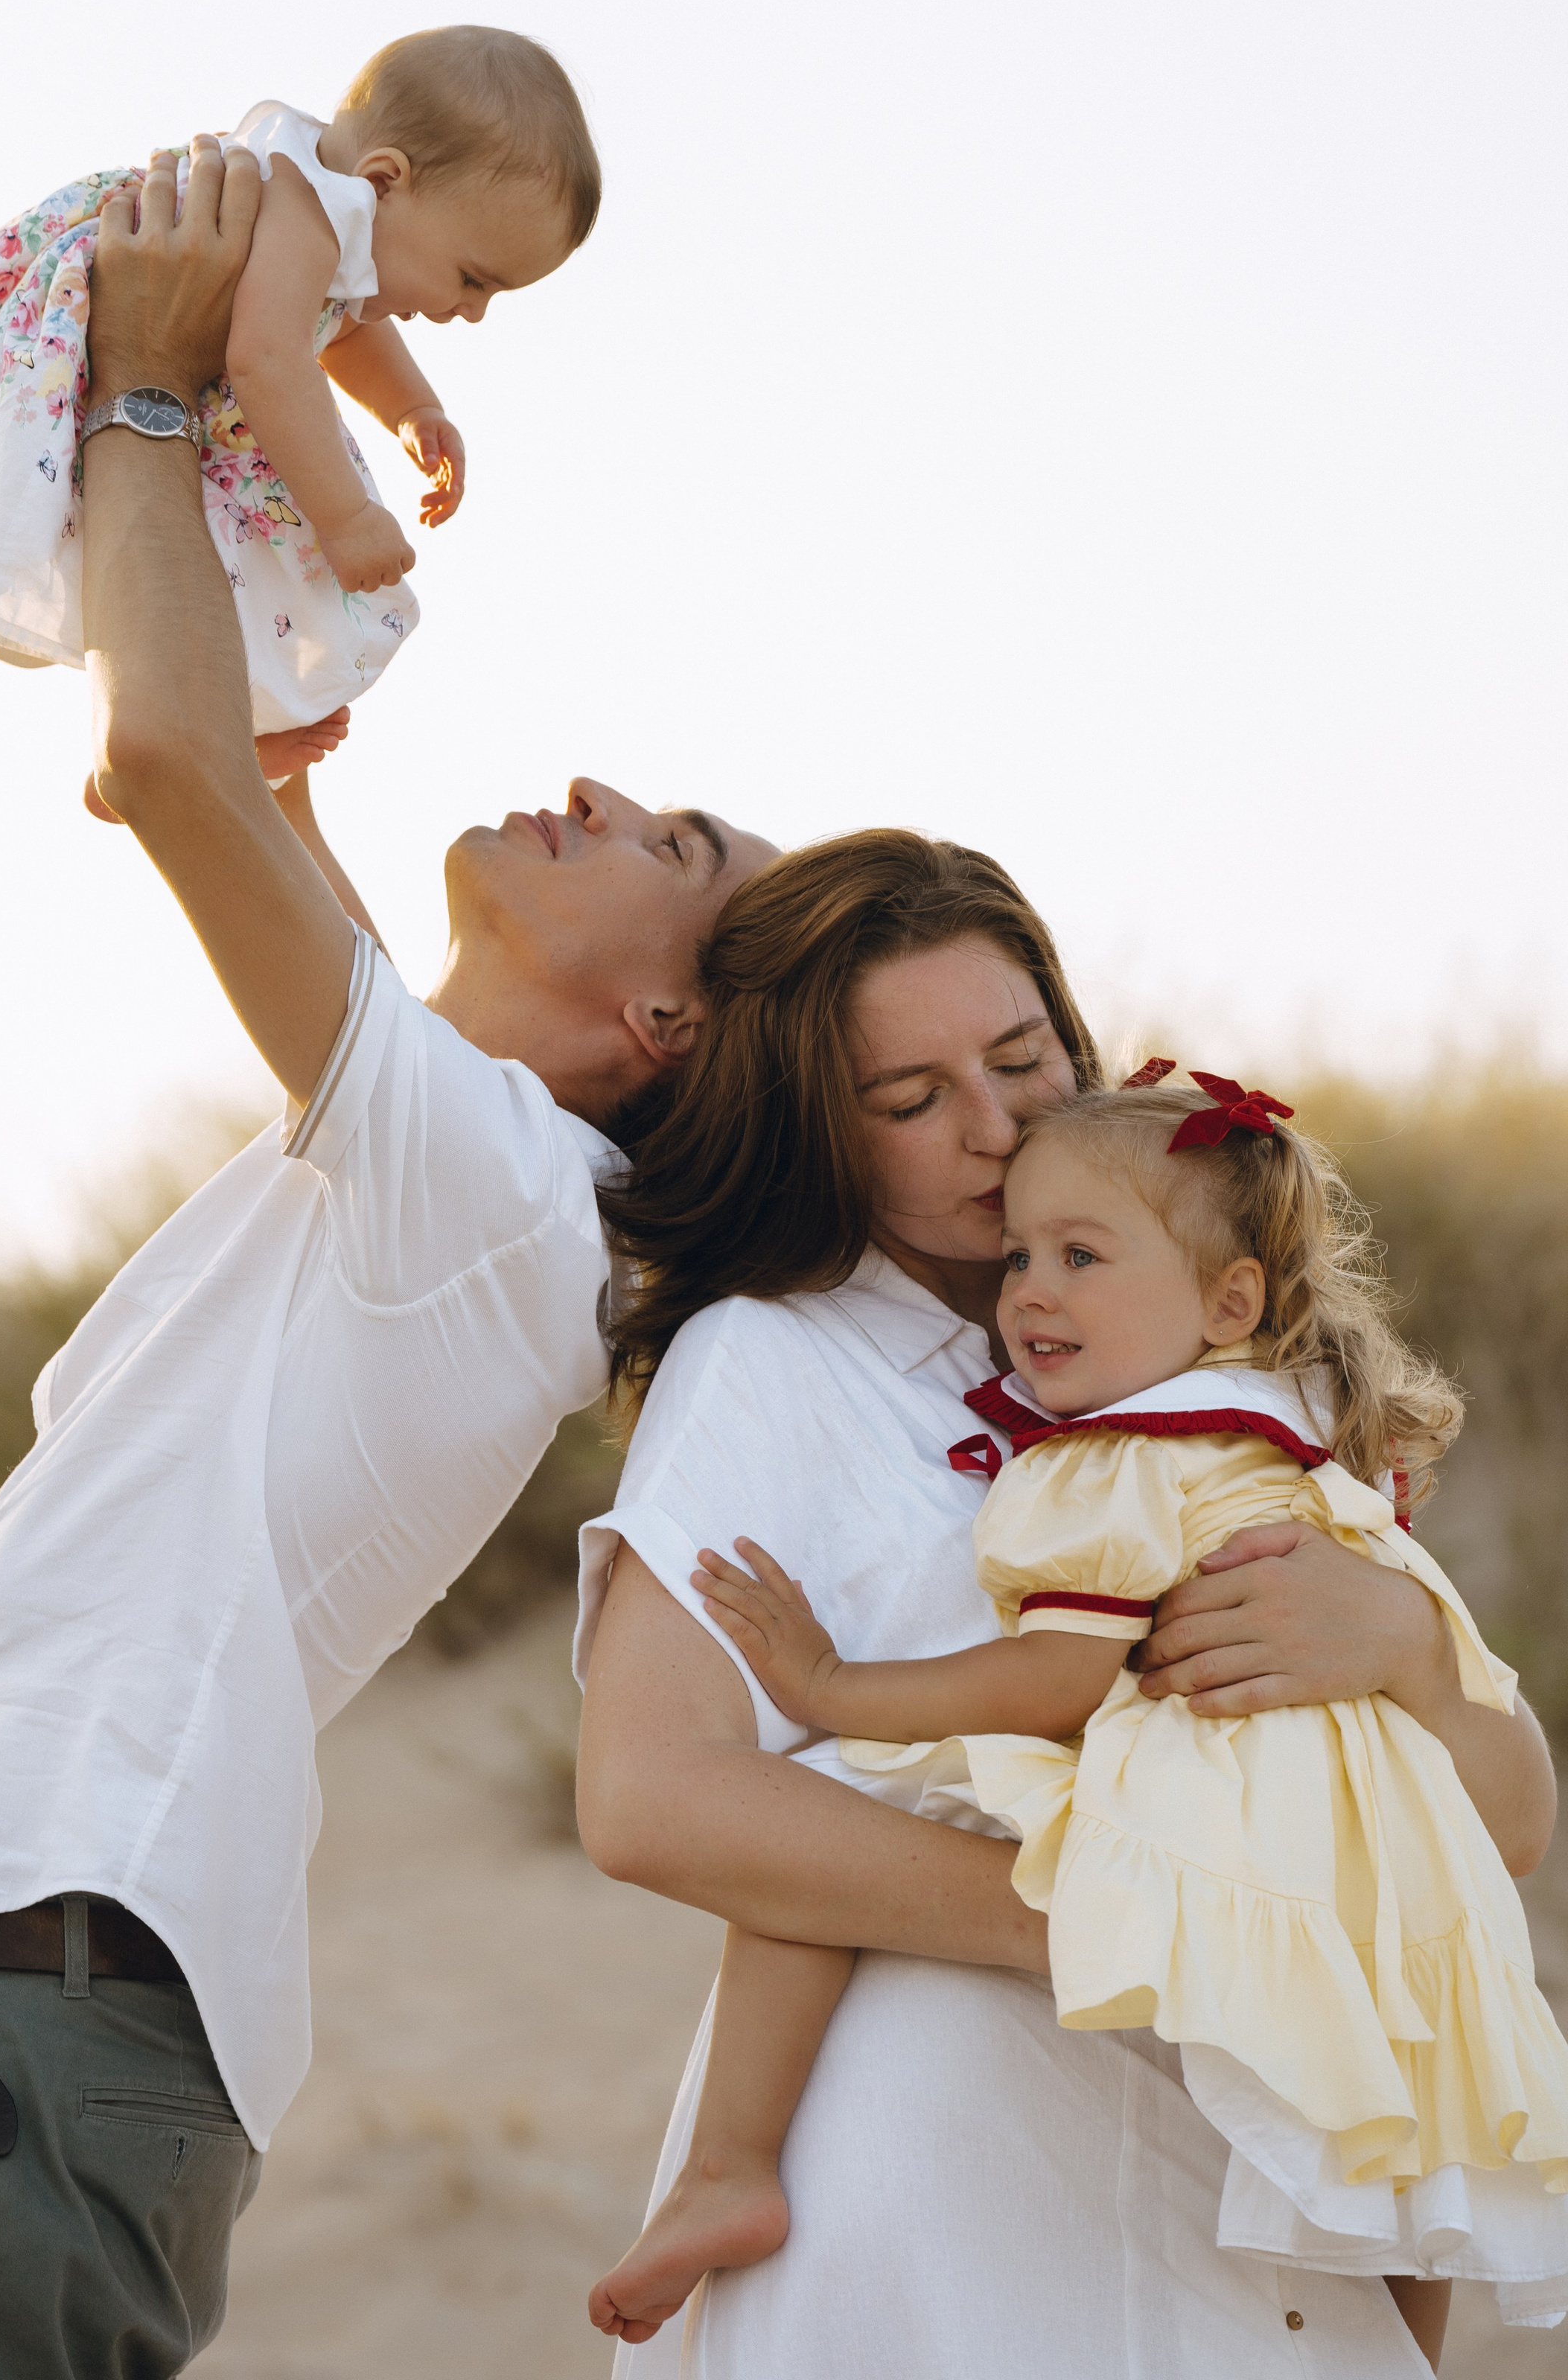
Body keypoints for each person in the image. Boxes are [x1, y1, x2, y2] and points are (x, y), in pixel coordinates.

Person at [0, 138, 775, 2380]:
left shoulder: (503, 1195)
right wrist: (280, 783)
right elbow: (201, 771)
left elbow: (155, 753)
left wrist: (149, 393)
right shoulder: (475, 1189)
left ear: (667, 1024)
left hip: (43, 1971)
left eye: (675, 843)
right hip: (39, 1979)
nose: (606, 789)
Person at [574, 829, 1558, 2379]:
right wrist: (1134, 1926)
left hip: (1265, 2175)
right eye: (909, 1102)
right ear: (826, 1134)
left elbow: (1492, 1835)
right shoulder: (780, 1363)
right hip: (942, 2181)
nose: (990, 1128)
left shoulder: (1250, 1394)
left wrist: (1409, 1656)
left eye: (1022, 1058)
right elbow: (649, 1799)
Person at [0, 25, 598, 736]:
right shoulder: (304, 212)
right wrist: (347, 517)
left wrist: (413, 409)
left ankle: (210, 736)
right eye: (472, 278)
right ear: (385, 180)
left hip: (158, 370)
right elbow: (270, 359)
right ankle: (185, 736)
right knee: (254, 570)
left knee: (201, 583)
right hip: (105, 340)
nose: (473, 312)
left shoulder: (331, 221)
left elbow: (345, 330)